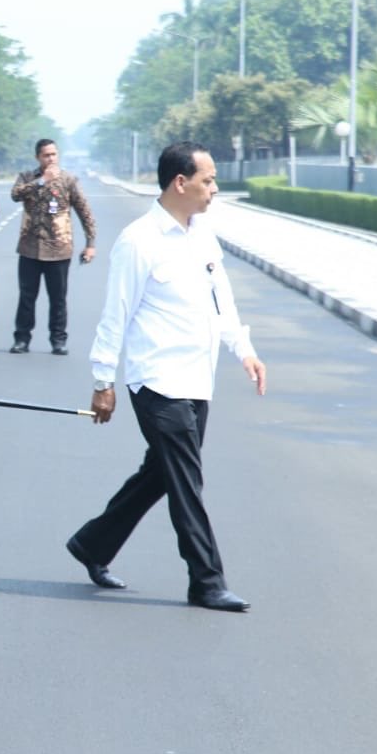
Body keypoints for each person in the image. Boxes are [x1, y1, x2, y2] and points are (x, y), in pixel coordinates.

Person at [66, 141, 267, 612]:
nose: (214, 188)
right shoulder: (139, 241)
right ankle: (207, 581)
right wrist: (103, 381)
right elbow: (115, 314)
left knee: (161, 473)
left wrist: (244, 349)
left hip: (198, 377)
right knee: (186, 481)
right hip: (157, 382)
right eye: (208, 180)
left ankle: (92, 545)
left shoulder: (202, 235)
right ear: (181, 182)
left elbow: (222, 300)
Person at [8, 139, 96, 355]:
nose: (51, 158)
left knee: (58, 298)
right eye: (46, 155)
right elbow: (15, 195)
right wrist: (42, 181)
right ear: (38, 157)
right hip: (30, 248)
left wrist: (90, 244)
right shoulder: (28, 178)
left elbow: (84, 211)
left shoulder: (68, 180)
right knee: (27, 297)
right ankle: (22, 339)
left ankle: (58, 340)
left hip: (59, 249)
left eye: (54, 154)